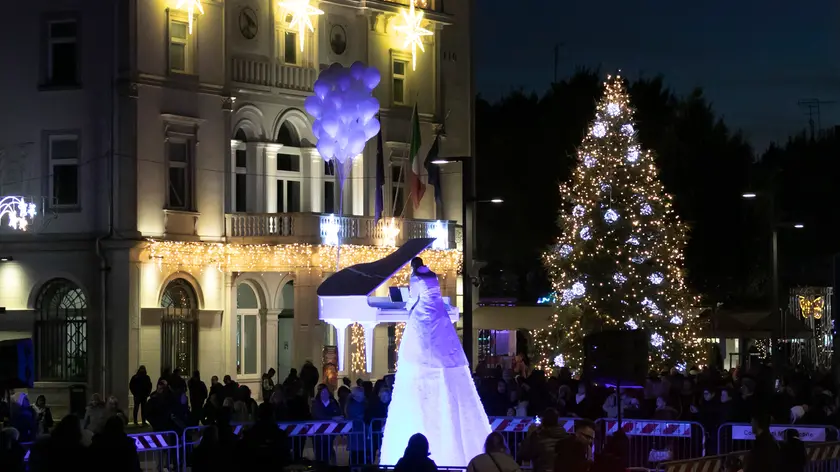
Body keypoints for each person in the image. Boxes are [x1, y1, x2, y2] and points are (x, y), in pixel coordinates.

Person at [380, 257, 492, 467]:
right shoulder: (432, 275)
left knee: (418, 352)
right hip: (438, 315)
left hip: (423, 316)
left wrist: (407, 308)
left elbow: (414, 299)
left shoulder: (416, 277)